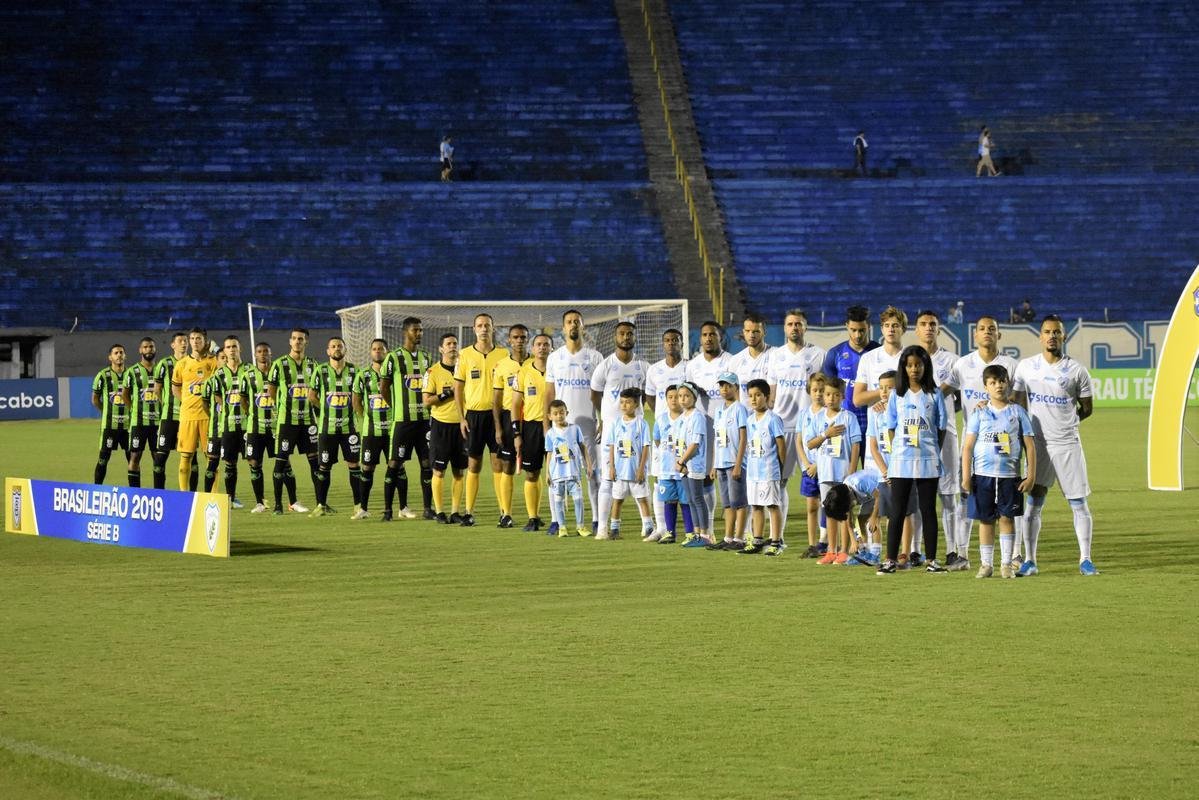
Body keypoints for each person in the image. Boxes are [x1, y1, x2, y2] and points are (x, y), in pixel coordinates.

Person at [1012, 315, 1099, 576]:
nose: (1052, 336)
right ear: (1040, 336)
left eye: (1057, 332)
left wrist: (1066, 423)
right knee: (1034, 501)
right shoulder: (1026, 367)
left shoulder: (1077, 371)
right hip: (1038, 446)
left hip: (1067, 444)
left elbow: (1087, 408)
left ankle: (1085, 559)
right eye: (1047, 332)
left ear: (1064, 337)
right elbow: (1018, 403)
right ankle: (1030, 560)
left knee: (1078, 502)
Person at [948, 315, 1022, 567]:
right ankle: (963, 553)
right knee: (966, 497)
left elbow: (1021, 402)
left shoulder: (1012, 365)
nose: (987, 332)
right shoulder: (962, 365)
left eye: (992, 329)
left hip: (1006, 447)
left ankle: (1014, 555)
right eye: (982, 328)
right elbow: (942, 394)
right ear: (975, 335)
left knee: (1010, 503)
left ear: (999, 335)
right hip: (973, 445)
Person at [877, 345, 949, 574]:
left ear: (925, 366)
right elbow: (890, 427)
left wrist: (932, 449)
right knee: (897, 511)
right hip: (901, 462)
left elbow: (941, 427)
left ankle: (932, 561)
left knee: (928, 510)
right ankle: (889, 560)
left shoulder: (935, 394)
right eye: (909, 365)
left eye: (918, 364)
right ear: (903, 368)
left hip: (928, 460)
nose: (914, 369)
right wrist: (897, 451)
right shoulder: (897, 395)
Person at [962, 365, 1037, 579]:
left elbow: (1030, 446)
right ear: (986, 387)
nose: (998, 386)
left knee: (1007, 518)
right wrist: (966, 476)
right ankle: (986, 564)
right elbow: (967, 447)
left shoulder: (1018, 412)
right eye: (993, 382)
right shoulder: (979, 413)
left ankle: (1006, 563)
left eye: (1002, 381)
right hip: (983, 476)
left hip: (1009, 477)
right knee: (985, 520)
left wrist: (1031, 476)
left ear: (1008, 384)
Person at [915, 310, 969, 571]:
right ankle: (914, 551)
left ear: (939, 329)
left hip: (946, 436)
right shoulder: (910, 360)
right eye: (923, 324)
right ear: (916, 329)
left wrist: (944, 415)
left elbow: (959, 398)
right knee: (917, 497)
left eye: (932, 324)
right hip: (916, 437)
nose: (928, 328)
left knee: (949, 496)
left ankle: (952, 551)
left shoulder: (952, 361)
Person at [766, 308, 827, 542]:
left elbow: (825, 389)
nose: (794, 328)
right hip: (782, 426)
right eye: (790, 324)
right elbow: (772, 391)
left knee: (820, 482)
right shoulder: (776, 356)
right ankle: (777, 536)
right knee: (779, 480)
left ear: (805, 327)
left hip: (811, 428)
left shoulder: (818, 354)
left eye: (798, 324)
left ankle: (822, 539)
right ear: (784, 328)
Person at [544, 309, 604, 532]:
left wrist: (602, 418)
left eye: (577, 322)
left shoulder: (595, 357)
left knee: (592, 472)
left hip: (588, 423)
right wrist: (546, 423)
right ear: (563, 328)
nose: (573, 325)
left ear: (583, 326)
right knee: (555, 472)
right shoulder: (554, 358)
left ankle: (597, 519)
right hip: (560, 427)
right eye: (569, 322)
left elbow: (599, 393)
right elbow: (549, 394)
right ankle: (555, 520)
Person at [590, 321, 649, 538]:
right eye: (622, 334)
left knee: (640, 479)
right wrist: (603, 418)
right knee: (608, 479)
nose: (626, 337)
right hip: (611, 435)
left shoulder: (644, 367)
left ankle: (649, 525)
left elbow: (649, 395)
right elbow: (595, 394)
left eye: (629, 334)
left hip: (636, 434)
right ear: (615, 337)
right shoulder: (605, 365)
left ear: (635, 337)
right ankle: (604, 528)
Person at [455, 313, 510, 527]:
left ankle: (504, 512)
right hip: (474, 417)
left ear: (493, 328)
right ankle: (469, 512)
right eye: (480, 325)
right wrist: (462, 417)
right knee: (474, 464)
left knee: (498, 464)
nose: (484, 328)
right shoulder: (465, 355)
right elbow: (458, 388)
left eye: (487, 325)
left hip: (497, 416)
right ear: (474, 328)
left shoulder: (504, 355)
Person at [380, 317, 434, 521]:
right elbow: (383, 388)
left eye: (420, 330)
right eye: (415, 330)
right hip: (403, 421)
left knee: (427, 464)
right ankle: (388, 510)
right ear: (405, 332)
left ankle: (428, 509)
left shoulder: (426, 358)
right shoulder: (393, 358)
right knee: (394, 463)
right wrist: (396, 407)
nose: (419, 333)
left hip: (424, 421)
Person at [805, 376, 862, 564]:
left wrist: (852, 471)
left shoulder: (848, 417)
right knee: (828, 511)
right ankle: (831, 549)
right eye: (828, 394)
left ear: (842, 396)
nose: (830, 398)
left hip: (843, 473)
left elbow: (855, 445)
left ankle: (844, 550)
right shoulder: (818, 418)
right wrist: (825, 434)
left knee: (844, 512)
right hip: (825, 473)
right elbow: (810, 443)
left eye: (835, 395)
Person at [266, 327, 319, 514]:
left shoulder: (313, 365)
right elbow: (271, 392)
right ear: (290, 341)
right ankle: (278, 505)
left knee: (315, 463)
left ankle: (321, 504)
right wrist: (277, 412)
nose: (298, 341)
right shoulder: (279, 364)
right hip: (286, 422)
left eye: (301, 339)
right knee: (280, 462)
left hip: (308, 422)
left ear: (306, 342)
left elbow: (317, 392)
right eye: (295, 338)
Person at [308, 337, 361, 518]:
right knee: (324, 466)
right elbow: (312, 396)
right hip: (327, 429)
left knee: (354, 464)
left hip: (349, 429)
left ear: (345, 349)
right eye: (333, 346)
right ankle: (321, 505)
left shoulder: (354, 371)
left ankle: (358, 506)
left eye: (340, 346)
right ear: (328, 351)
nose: (336, 348)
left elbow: (359, 396)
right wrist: (324, 409)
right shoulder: (320, 371)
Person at [685, 321, 732, 524]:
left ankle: (741, 524)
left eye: (712, 334)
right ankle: (709, 524)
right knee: (704, 476)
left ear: (720, 337)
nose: (708, 338)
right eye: (704, 335)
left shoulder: (730, 361)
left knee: (728, 473)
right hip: (701, 427)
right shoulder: (693, 365)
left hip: (726, 427)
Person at [644, 328, 688, 537]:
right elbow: (650, 397)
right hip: (663, 432)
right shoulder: (654, 370)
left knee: (689, 477)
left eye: (675, 340)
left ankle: (696, 528)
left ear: (681, 343)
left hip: (685, 431)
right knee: (659, 478)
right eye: (667, 340)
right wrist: (663, 417)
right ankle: (661, 527)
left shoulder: (689, 368)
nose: (671, 343)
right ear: (663, 344)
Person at [822, 305, 879, 464]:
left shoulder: (878, 352)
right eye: (853, 330)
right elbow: (828, 392)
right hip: (844, 424)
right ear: (846, 325)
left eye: (862, 330)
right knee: (843, 475)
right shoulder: (835, 354)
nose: (858, 335)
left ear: (869, 326)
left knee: (875, 475)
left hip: (873, 423)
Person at [739, 379, 786, 556]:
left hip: (769, 470)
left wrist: (780, 468)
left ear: (766, 397)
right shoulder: (749, 419)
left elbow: (781, 445)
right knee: (756, 506)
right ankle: (757, 540)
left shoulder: (773, 419)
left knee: (772, 506)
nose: (753, 399)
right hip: (753, 471)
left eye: (758, 395)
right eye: (750, 396)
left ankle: (776, 541)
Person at [424, 333, 466, 523]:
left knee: (459, 471)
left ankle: (455, 512)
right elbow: (426, 401)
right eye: (448, 344)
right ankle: (440, 511)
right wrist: (448, 394)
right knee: (439, 471)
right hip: (441, 426)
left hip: (462, 426)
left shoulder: (464, 369)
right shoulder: (432, 372)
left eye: (454, 343)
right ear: (441, 349)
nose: (452, 346)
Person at [491, 324, 530, 528]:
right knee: (507, 465)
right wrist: (498, 427)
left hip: (532, 417)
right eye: (515, 337)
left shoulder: (537, 363)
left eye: (523, 337)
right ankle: (506, 513)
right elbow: (496, 401)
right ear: (509, 340)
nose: (519, 341)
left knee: (533, 467)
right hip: (508, 418)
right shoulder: (501, 366)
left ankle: (534, 515)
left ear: (527, 339)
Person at [602, 387, 653, 541]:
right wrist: (611, 467)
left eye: (628, 402)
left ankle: (648, 527)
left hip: (635, 471)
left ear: (637, 404)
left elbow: (645, 447)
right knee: (617, 500)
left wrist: (641, 468)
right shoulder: (616, 423)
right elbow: (611, 446)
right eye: (622, 402)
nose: (624, 405)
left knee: (642, 499)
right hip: (620, 471)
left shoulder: (641, 424)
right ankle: (614, 529)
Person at [172, 328, 219, 492]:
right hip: (188, 417)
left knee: (211, 458)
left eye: (198, 338)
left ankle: (213, 495)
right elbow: (175, 388)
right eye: (192, 338)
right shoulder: (182, 364)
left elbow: (228, 364)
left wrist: (217, 349)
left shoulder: (213, 362)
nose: (194, 341)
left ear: (205, 341)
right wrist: (186, 402)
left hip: (208, 417)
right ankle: (184, 495)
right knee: (186, 457)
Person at [513, 333, 551, 531]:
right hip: (531, 427)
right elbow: (515, 405)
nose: (542, 347)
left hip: (555, 428)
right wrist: (517, 434)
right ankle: (533, 517)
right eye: (538, 344)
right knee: (531, 474)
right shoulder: (523, 372)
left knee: (556, 475)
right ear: (533, 348)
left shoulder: (557, 371)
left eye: (546, 344)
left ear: (551, 348)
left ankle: (556, 519)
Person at [647, 385, 691, 544]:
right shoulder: (661, 420)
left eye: (676, 396)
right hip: (666, 469)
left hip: (682, 469)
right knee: (669, 501)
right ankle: (670, 533)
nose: (673, 400)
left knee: (686, 501)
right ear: (666, 400)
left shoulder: (687, 418)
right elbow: (658, 441)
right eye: (670, 397)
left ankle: (690, 533)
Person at [353, 338, 391, 519]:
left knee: (397, 467)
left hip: (392, 430)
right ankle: (363, 508)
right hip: (371, 431)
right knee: (367, 468)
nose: (378, 352)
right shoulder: (363, 375)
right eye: (375, 349)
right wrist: (364, 419)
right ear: (370, 352)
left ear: (387, 351)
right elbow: (356, 401)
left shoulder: (393, 374)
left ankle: (403, 507)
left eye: (381, 349)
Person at [709, 372, 748, 551]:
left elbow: (743, 438)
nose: (724, 389)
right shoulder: (718, 410)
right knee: (727, 503)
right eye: (722, 386)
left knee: (738, 502)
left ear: (736, 388)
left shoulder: (739, 409)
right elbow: (718, 439)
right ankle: (728, 537)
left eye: (728, 386)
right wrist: (714, 465)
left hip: (734, 462)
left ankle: (739, 538)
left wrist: (739, 464)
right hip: (722, 463)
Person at [544, 399, 591, 538]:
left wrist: (588, 464)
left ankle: (580, 526)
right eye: (555, 413)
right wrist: (547, 473)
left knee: (578, 500)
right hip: (557, 475)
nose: (559, 416)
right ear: (550, 416)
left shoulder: (575, 429)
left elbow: (583, 447)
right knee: (558, 501)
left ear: (567, 413)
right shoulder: (550, 434)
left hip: (573, 473)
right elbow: (549, 453)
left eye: (562, 412)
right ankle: (562, 527)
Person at [673, 381, 711, 547]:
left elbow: (695, 444)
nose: (682, 399)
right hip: (683, 465)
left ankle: (705, 535)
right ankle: (696, 534)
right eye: (680, 396)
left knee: (697, 498)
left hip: (693, 464)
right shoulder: (680, 419)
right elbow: (678, 442)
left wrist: (682, 461)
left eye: (686, 396)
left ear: (694, 398)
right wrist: (679, 461)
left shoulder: (697, 417)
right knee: (689, 499)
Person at [212, 336, 248, 506]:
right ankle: (231, 499)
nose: (232, 349)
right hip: (228, 425)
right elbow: (217, 396)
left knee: (254, 461)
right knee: (229, 462)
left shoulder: (249, 370)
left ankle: (260, 502)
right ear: (224, 351)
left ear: (239, 348)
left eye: (234, 346)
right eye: (228, 347)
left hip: (248, 425)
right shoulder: (219, 374)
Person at [241, 341, 275, 513]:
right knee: (254, 462)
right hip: (255, 426)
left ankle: (290, 502)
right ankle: (260, 502)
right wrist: (251, 413)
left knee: (284, 462)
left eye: (266, 351)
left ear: (270, 353)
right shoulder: (248, 375)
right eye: (259, 351)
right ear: (255, 355)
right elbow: (243, 399)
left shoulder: (277, 373)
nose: (263, 354)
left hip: (276, 427)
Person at [151, 331, 188, 490]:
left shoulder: (192, 363)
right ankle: (159, 493)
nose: (184, 343)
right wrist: (165, 404)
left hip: (188, 417)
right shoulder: (164, 364)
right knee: (161, 456)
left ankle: (189, 493)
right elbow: (157, 389)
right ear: (173, 345)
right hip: (169, 417)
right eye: (180, 341)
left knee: (189, 457)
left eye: (185, 341)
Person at [796, 373, 827, 558]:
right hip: (808, 468)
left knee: (826, 504)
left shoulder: (829, 414)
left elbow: (830, 443)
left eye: (822, 390)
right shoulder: (804, 414)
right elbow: (799, 441)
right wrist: (806, 463)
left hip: (824, 467)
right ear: (809, 391)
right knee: (811, 506)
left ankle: (825, 541)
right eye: (815, 390)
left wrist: (817, 463)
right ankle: (811, 544)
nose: (818, 394)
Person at [121, 337, 158, 487]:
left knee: (158, 458)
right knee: (135, 456)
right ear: (140, 350)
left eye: (151, 347)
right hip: (138, 422)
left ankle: (159, 493)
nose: (148, 350)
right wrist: (133, 409)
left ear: (155, 350)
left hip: (157, 423)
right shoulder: (132, 372)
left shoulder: (160, 369)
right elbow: (124, 394)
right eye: (145, 347)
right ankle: (135, 492)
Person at [91, 343, 128, 484]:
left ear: (125, 356)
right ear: (110, 357)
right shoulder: (103, 376)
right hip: (109, 426)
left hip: (128, 426)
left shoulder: (130, 374)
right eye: (116, 353)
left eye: (121, 352)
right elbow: (95, 399)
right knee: (103, 458)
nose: (119, 355)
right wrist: (106, 411)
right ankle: (97, 489)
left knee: (133, 459)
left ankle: (135, 492)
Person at [200, 351, 228, 494]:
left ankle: (232, 498)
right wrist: (212, 416)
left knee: (231, 464)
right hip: (216, 429)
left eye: (227, 357)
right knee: (212, 463)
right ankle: (206, 495)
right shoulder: (209, 382)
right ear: (216, 361)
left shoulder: (237, 378)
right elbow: (204, 404)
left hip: (231, 429)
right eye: (222, 358)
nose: (225, 360)